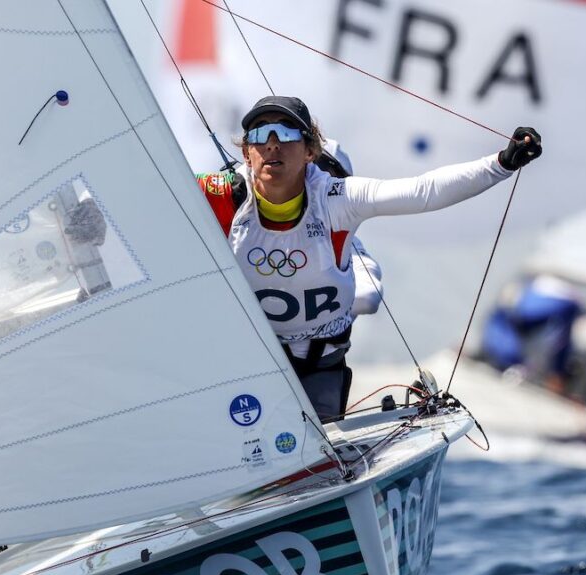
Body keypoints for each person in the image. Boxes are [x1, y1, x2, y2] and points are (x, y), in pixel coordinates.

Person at [196, 95, 542, 421]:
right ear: (246, 152)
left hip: (320, 364)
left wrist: (502, 164)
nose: (272, 143)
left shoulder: (337, 198)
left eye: (286, 133)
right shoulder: (222, 195)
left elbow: (423, 191)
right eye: (259, 133)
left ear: (310, 151)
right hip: (247, 363)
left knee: (312, 461)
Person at [480, 274, 582, 394]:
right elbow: (563, 342)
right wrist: (558, 372)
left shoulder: (530, 297)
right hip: (517, 357)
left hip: (531, 294)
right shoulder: (569, 306)